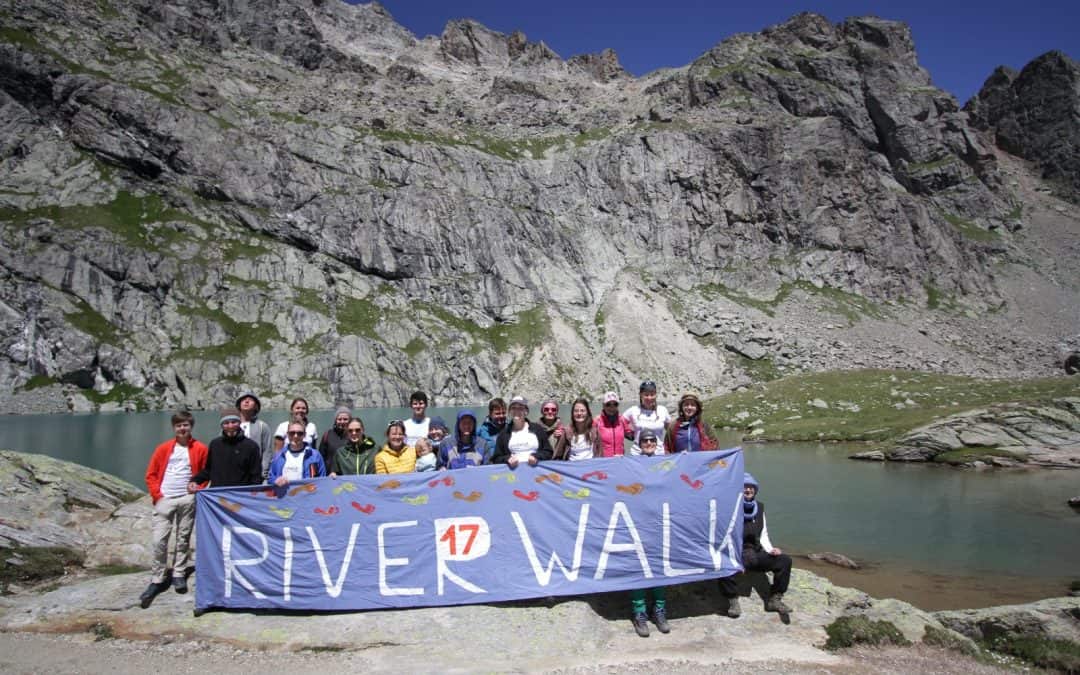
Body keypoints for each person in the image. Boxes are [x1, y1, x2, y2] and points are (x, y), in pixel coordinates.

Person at [140, 410, 208, 608]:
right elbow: (151, 474)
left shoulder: (200, 448)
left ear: (191, 426)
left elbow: (205, 473)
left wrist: (198, 490)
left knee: (183, 537)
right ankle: (157, 577)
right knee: (159, 540)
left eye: (185, 425)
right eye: (178, 425)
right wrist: (157, 496)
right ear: (174, 428)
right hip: (165, 499)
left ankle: (179, 573)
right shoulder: (163, 449)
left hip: (187, 498)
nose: (182, 428)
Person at [720, 473, 793, 617]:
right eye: (745, 487)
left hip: (755, 552)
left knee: (784, 561)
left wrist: (771, 550)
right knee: (721, 565)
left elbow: (763, 533)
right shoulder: (730, 507)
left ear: (755, 490)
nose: (748, 490)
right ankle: (733, 601)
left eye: (751, 487)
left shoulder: (759, 508)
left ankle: (774, 600)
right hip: (735, 552)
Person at [188, 407, 262, 491]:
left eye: (234, 422)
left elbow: (256, 477)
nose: (230, 426)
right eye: (226, 423)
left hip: (240, 496)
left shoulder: (251, 446)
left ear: (240, 423)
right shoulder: (215, 444)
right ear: (221, 425)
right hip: (217, 495)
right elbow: (208, 470)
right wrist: (195, 481)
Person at [491, 396, 553, 467]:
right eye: (513, 408)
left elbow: (549, 452)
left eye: (520, 408)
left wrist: (536, 456)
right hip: (513, 475)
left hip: (536, 474)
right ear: (509, 411)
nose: (516, 411)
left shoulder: (538, 429)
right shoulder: (503, 434)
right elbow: (496, 458)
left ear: (526, 411)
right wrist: (507, 459)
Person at [268, 420, 327, 486]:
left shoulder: (315, 456)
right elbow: (270, 478)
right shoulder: (279, 456)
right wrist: (275, 480)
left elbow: (323, 480)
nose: (295, 436)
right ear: (287, 434)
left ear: (304, 435)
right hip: (284, 495)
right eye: (292, 433)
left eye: (300, 433)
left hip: (308, 495)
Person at [623, 381, 671, 455]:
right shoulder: (633, 410)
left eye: (652, 394)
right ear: (640, 395)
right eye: (646, 395)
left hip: (658, 454)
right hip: (637, 454)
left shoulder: (662, 410)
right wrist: (628, 433)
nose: (649, 398)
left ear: (656, 395)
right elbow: (619, 423)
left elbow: (672, 431)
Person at [236, 391, 274, 479]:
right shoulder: (231, 425)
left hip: (255, 473)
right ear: (239, 405)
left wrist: (263, 471)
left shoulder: (262, 426)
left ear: (256, 406)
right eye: (243, 400)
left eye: (250, 400)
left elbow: (267, 451)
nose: (246, 401)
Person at [595, 391, 633, 457]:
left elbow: (631, 435)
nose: (612, 407)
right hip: (603, 462)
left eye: (615, 404)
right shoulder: (597, 421)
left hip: (619, 460)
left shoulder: (621, 420)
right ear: (603, 405)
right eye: (608, 404)